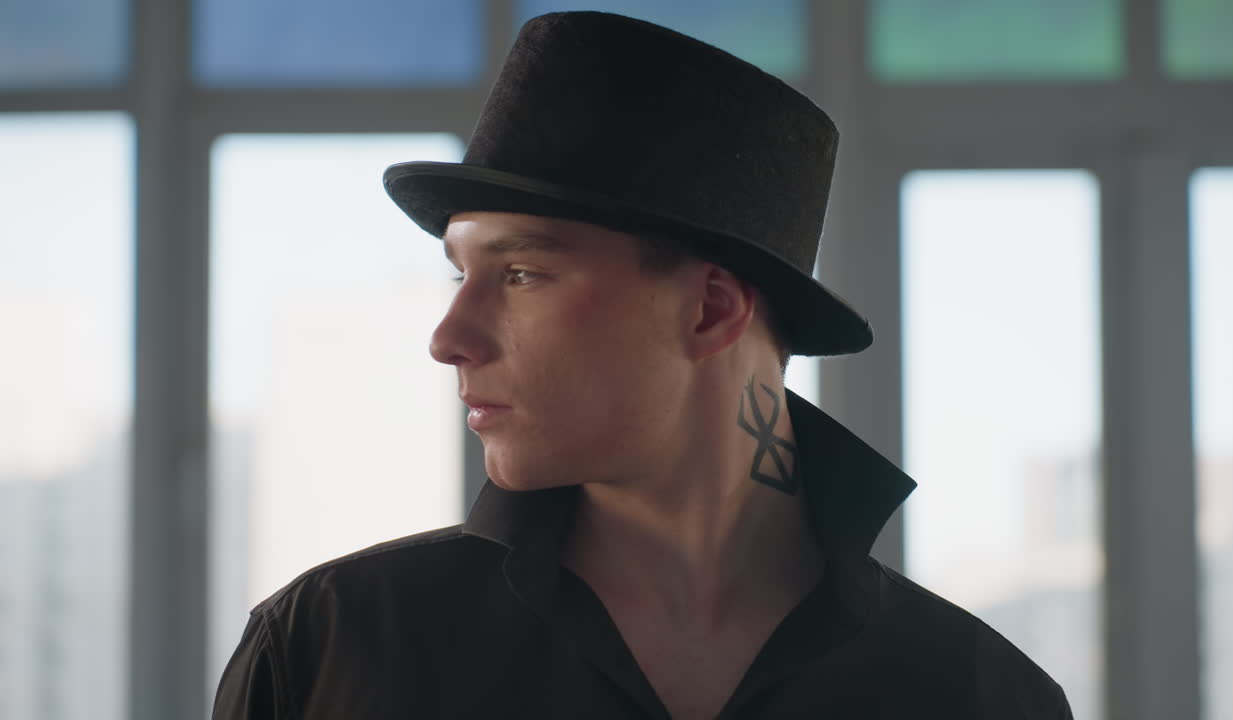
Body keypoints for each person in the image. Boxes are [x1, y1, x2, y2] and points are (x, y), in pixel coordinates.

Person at [213, 11, 1073, 719]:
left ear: (709, 310)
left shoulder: (979, 697)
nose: (449, 337)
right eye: (458, 270)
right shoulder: (329, 652)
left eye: (520, 273)